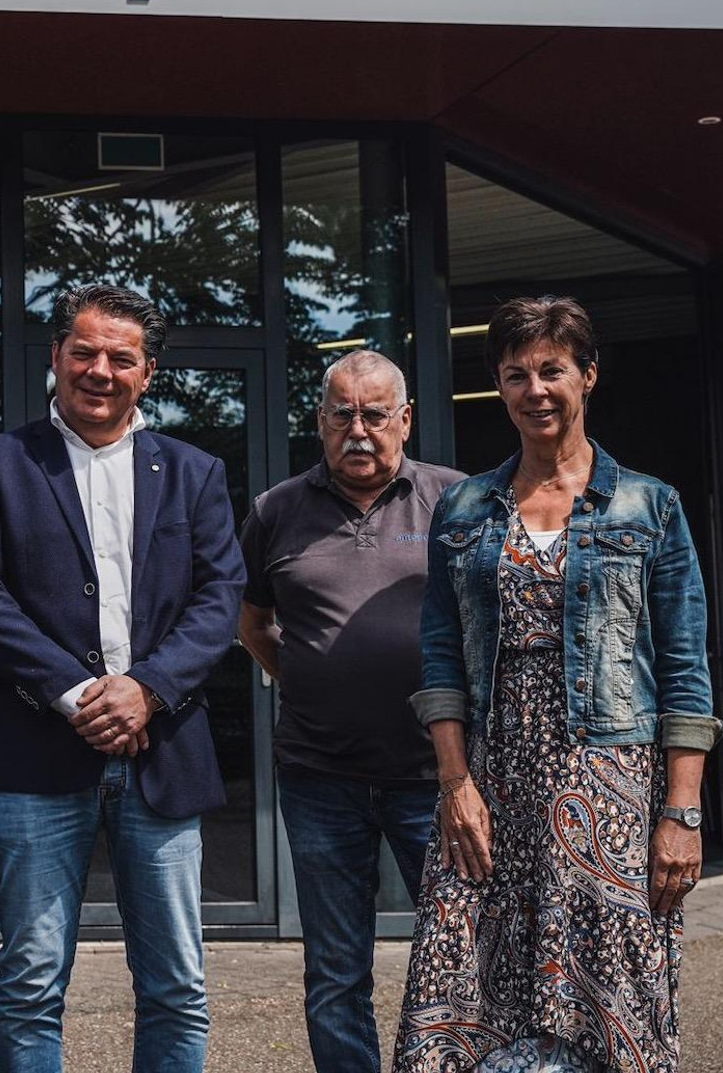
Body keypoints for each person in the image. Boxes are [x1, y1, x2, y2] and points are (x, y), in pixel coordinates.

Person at [394, 296, 723, 1073]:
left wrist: (681, 814)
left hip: (609, 788)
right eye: (516, 374)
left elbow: (686, 671)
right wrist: (455, 783)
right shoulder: (465, 508)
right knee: (458, 976)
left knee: (609, 986)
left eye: (552, 370)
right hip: (490, 786)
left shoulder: (650, 505)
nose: (534, 389)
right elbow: (441, 656)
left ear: (588, 376)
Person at [0, 283, 244, 1073]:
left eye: (121, 358)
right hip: (38, 752)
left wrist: (147, 687)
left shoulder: (194, 472)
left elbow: (221, 597)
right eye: (83, 352)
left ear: (148, 373)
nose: (100, 371)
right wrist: (77, 692)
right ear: (55, 357)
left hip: (162, 752)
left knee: (177, 986)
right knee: (30, 983)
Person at [237, 349, 465, 1073]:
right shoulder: (276, 510)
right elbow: (253, 625)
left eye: (375, 415)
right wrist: (312, 679)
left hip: (438, 779)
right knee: (336, 972)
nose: (358, 431)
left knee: (462, 954)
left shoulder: (455, 500)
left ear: (406, 419)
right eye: (343, 415)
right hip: (320, 778)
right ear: (320, 421)